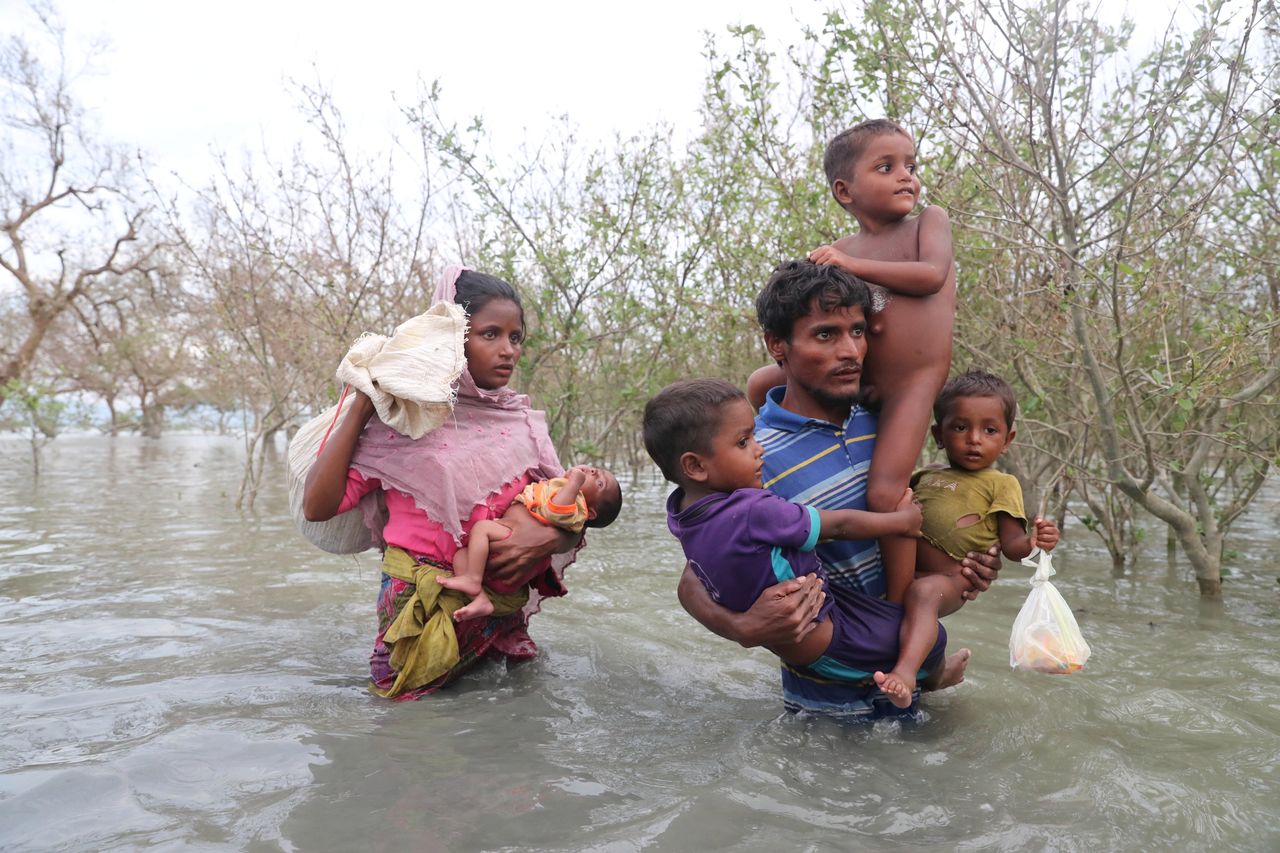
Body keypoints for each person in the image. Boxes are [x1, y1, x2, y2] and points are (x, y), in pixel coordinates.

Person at [681, 260, 997, 718]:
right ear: (777, 346)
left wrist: (968, 567)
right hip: (822, 705)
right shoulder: (751, 457)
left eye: (858, 331)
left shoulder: (888, 426)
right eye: (826, 335)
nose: (850, 351)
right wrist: (741, 627)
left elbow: (914, 539)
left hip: (911, 683)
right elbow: (693, 575)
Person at [303, 266, 580, 700]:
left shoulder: (524, 425)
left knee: (505, 732)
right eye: (491, 334)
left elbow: (568, 517)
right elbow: (318, 507)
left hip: (499, 613)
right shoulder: (404, 421)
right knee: (404, 726)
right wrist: (364, 400)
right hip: (417, 609)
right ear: (452, 339)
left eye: (516, 337)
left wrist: (546, 539)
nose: (508, 350)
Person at [747, 119, 956, 609]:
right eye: (887, 167)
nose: (907, 176)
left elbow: (931, 275)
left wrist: (851, 266)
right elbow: (809, 303)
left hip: (910, 383)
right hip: (861, 377)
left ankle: (897, 604)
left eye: (911, 165)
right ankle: (784, 432)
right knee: (759, 383)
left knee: (886, 494)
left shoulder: (928, 223)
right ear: (846, 190)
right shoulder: (839, 250)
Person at [645, 378, 961, 695]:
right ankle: (936, 676)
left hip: (809, 625)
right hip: (825, 635)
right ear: (695, 466)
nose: (760, 449)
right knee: (933, 641)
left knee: (898, 620)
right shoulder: (753, 510)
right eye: (744, 442)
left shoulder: (682, 514)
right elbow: (838, 526)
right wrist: (901, 522)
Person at [872, 370, 1061, 704]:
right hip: (908, 571)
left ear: (1008, 439)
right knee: (900, 599)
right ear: (938, 435)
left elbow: (1012, 546)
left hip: (952, 578)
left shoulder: (1001, 484)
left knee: (922, 595)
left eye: (989, 430)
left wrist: (1036, 542)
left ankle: (904, 674)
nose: (975, 439)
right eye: (960, 427)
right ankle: (940, 671)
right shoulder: (924, 475)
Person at [443, 465, 622, 621]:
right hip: (504, 560)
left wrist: (575, 482)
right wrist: (574, 475)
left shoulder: (575, 507)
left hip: (508, 542)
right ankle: (480, 599)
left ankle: (473, 580)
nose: (594, 472)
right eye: (597, 471)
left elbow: (555, 510)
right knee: (460, 556)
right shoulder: (565, 492)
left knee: (481, 528)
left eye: (600, 483)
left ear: (590, 514)